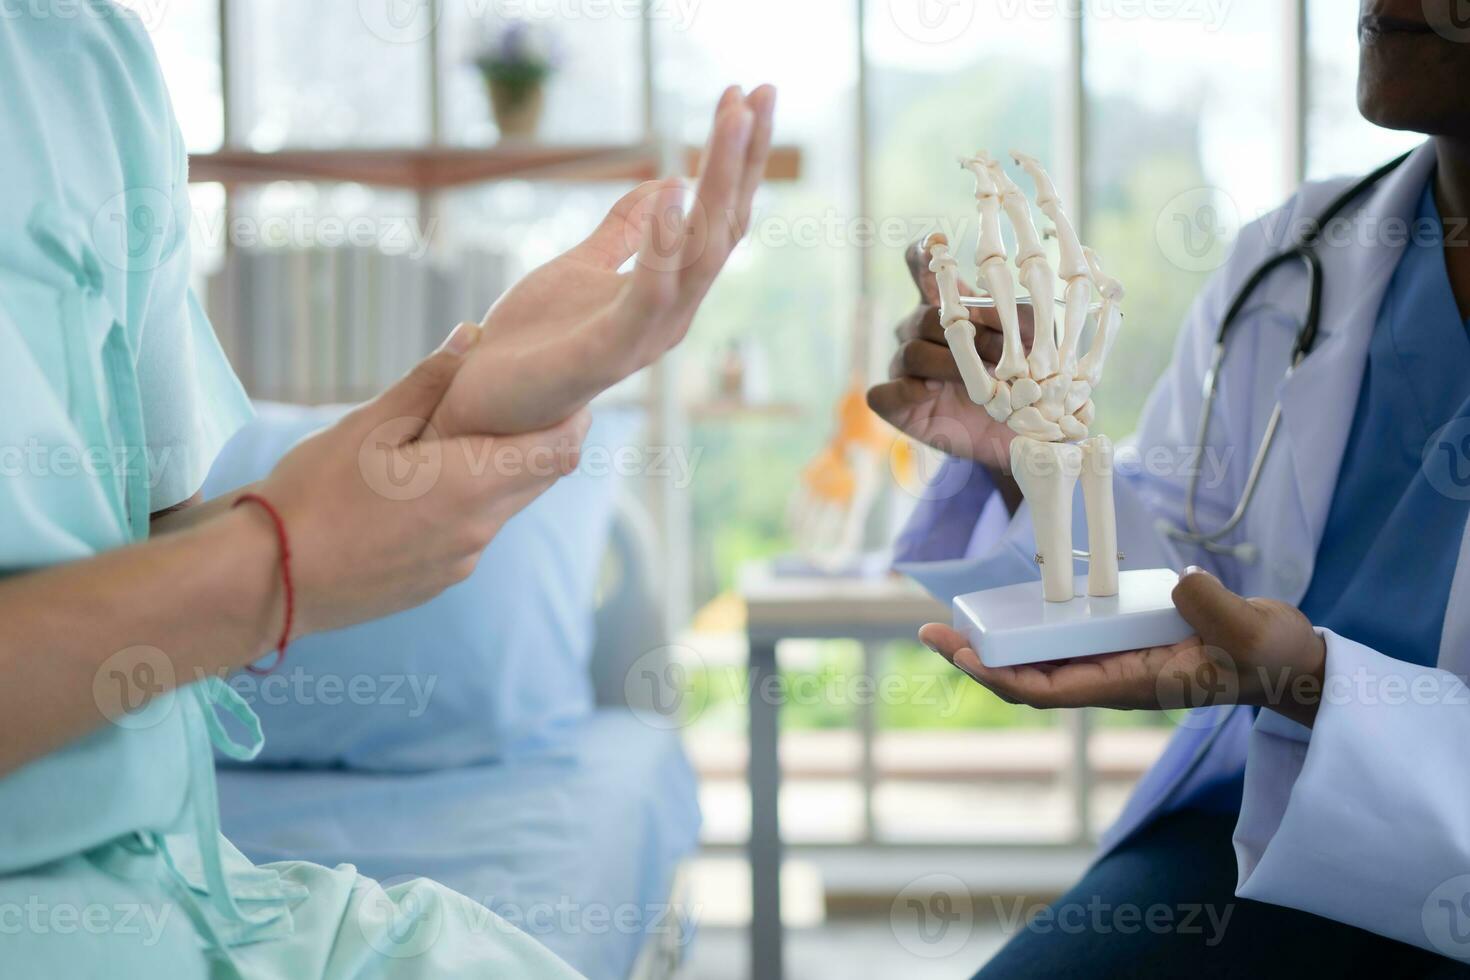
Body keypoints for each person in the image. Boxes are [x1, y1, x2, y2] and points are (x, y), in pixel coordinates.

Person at [0, 6, 774, 978]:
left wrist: (450, 419)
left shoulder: (81, 51)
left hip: (193, 894)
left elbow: (141, 556)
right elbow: (221, 570)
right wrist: (282, 562)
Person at [870, 0, 1470, 974]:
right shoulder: (1297, 252)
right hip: (1268, 827)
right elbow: (1187, 569)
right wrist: (1028, 458)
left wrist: (1317, 680)